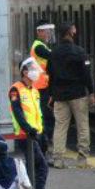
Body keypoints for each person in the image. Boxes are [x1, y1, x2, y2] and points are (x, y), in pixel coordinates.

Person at [48, 22, 95, 169]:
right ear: (70, 33)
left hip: (60, 96)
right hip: (78, 94)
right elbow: (86, 74)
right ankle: (82, 159)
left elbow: (51, 75)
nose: (76, 31)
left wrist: (52, 94)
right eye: (73, 29)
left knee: (60, 127)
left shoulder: (53, 53)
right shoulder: (79, 52)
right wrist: (91, 92)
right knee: (82, 126)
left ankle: (58, 159)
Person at [10, 58, 54, 189]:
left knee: (33, 169)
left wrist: (43, 133)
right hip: (26, 136)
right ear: (24, 72)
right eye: (33, 69)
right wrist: (28, 129)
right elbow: (18, 112)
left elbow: (38, 114)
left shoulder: (34, 90)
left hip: (37, 135)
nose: (36, 73)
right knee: (41, 167)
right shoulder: (15, 90)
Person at [31, 20, 56, 152]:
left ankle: (46, 144)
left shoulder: (44, 46)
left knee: (47, 116)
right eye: (46, 32)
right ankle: (45, 145)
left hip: (44, 86)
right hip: (40, 87)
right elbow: (52, 57)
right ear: (39, 32)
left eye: (49, 32)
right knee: (45, 117)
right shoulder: (38, 47)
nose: (48, 35)